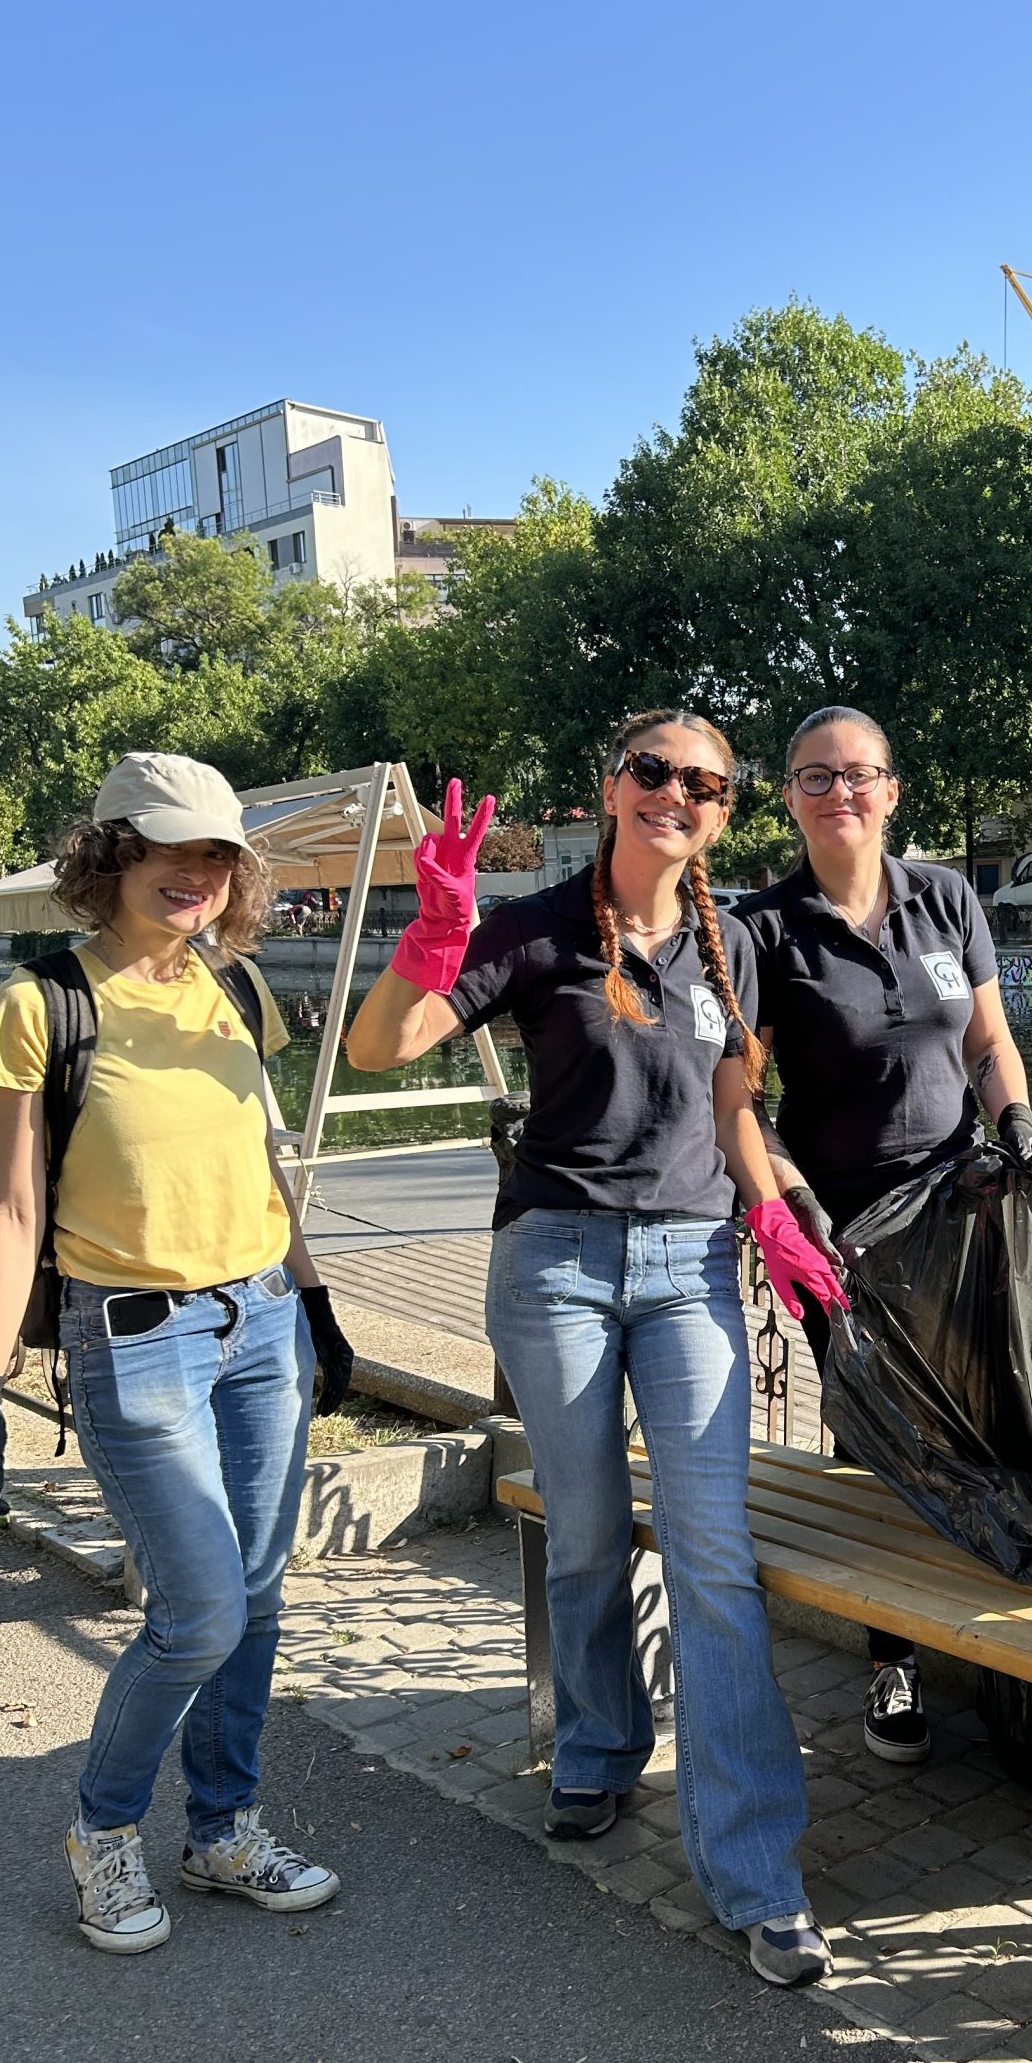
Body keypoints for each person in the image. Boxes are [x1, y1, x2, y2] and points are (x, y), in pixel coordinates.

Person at [345, 723, 845, 1988]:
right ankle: (597, 1747)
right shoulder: (532, 928)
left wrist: (775, 1214)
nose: (676, 794)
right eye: (653, 772)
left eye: (704, 784)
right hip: (554, 1262)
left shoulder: (736, 945)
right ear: (611, 787)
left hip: (691, 1266)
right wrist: (433, 937)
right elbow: (376, 1050)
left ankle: (755, 1868)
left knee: (712, 1553)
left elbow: (734, 1100)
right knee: (582, 1531)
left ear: (724, 812)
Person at [0, 751, 354, 1955]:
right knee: (200, 1611)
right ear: (111, 853)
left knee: (258, 1599)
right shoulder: (45, 1003)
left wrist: (317, 1302)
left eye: (217, 854)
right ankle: (105, 1829)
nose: (196, 874)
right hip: (135, 1339)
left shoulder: (236, 987)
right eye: (170, 849)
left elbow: (261, 1164)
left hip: (263, 1323)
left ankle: (221, 1830)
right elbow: (11, 1205)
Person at [738, 707, 1032, 1766]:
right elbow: (740, 1097)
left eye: (859, 774)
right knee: (877, 1444)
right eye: (816, 776)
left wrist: (1019, 1125)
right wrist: (786, 1201)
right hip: (841, 1234)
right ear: (790, 797)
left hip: (963, 1209)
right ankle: (892, 1660)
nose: (840, 792)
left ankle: (998, 1642)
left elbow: (989, 1042)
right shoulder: (764, 929)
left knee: (991, 1421)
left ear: (891, 789)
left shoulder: (945, 897)